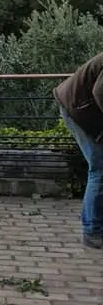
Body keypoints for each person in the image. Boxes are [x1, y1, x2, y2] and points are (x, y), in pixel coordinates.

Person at [54, 52, 103, 249]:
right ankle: (92, 231)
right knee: (100, 169)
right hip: (78, 108)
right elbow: (100, 92)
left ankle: (93, 222)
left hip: (85, 107)